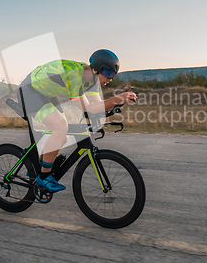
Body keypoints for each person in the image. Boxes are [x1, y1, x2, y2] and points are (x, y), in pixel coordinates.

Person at [18, 49, 137, 192]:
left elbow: (97, 107)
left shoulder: (92, 80)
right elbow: (88, 108)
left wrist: (117, 104)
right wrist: (117, 98)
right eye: (107, 74)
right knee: (60, 127)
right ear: (95, 70)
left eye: (113, 75)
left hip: (46, 93)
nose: (110, 79)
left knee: (63, 136)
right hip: (29, 91)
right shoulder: (75, 75)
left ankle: (39, 165)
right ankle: (43, 177)